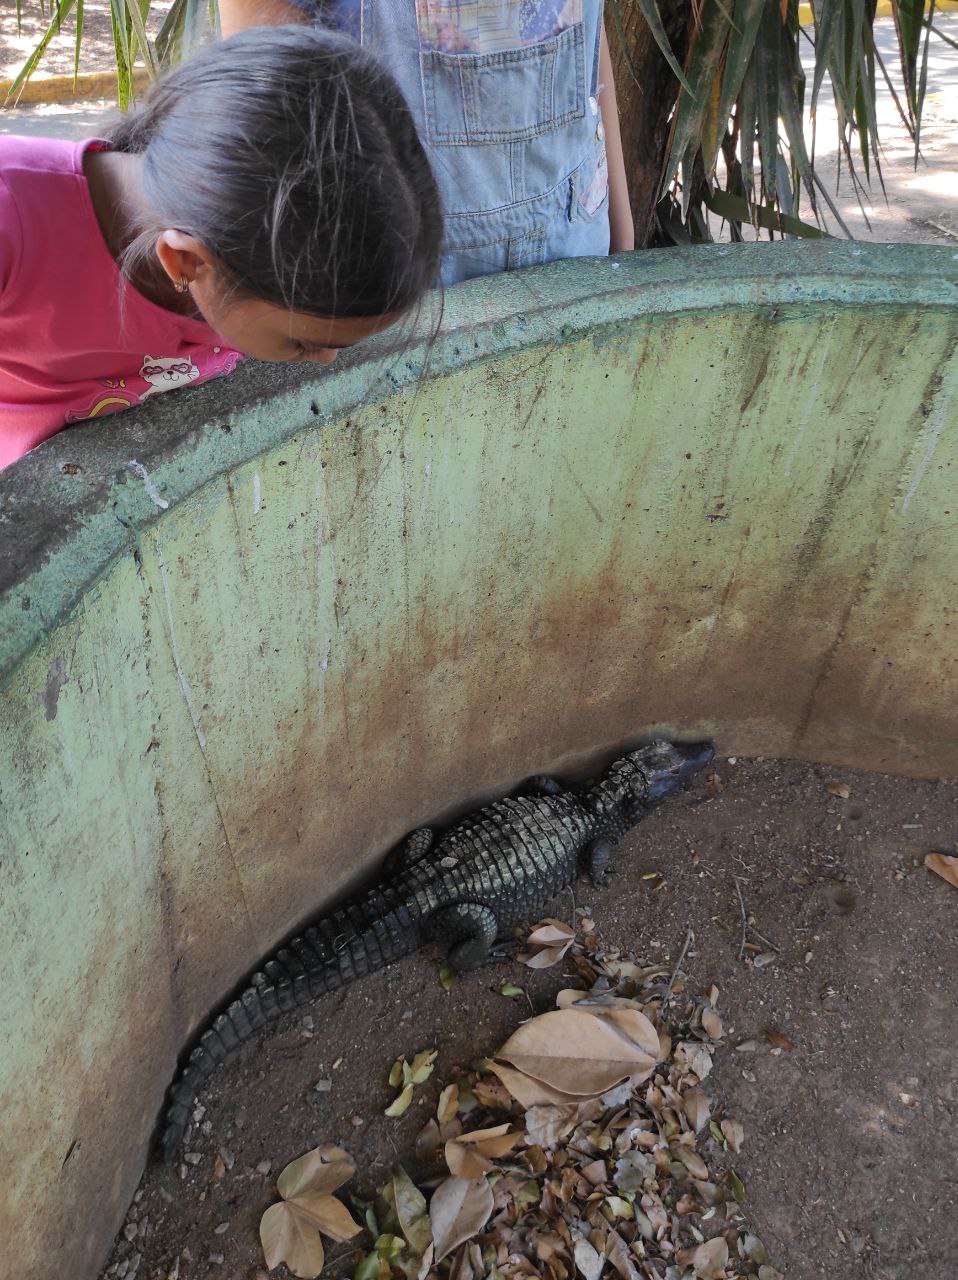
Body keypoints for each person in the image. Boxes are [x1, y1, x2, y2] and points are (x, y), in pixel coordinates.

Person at [0, 25, 442, 469]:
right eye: (302, 343)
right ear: (187, 263)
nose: (325, 361)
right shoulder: (13, 219)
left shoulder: (241, 252)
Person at [218, 0, 634, 285]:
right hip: (408, 290)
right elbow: (275, 129)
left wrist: (623, 237)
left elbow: (588, 44)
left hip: (579, 248)